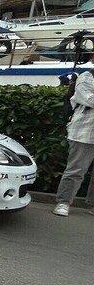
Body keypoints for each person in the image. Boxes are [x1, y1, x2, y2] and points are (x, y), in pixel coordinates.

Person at [53, 68, 94, 216]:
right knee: (76, 170)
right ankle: (63, 202)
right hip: (84, 131)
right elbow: (89, 99)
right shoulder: (87, 77)